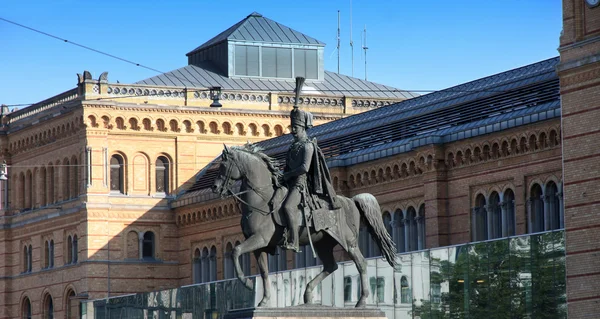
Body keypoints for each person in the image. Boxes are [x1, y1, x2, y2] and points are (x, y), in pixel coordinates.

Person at [280, 107, 340, 252]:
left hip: (300, 185)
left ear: (303, 127)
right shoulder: (293, 146)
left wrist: (288, 175)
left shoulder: (308, 146)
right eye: (292, 127)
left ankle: (294, 241)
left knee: (288, 207)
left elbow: (304, 168)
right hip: (288, 183)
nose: (293, 130)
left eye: (296, 127)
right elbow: (287, 166)